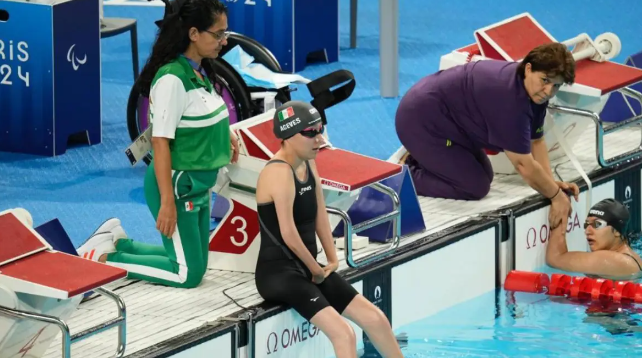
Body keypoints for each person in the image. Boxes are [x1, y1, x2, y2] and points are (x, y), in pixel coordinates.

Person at [76, 0, 239, 289]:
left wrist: (224, 133)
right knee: (187, 274)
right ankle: (103, 260)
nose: (223, 41)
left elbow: (202, 113)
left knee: (197, 261)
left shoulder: (201, 70)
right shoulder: (171, 80)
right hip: (178, 185)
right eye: (218, 34)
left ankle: (121, 243)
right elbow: (160, 144)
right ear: (193, 33)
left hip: (200, 184)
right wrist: (167, 203)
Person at [254, 100, 404, 358]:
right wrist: (315, 269)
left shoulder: (307, 162)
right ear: (288, 136)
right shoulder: (278, 172)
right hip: (279, 274)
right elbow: (288, 233)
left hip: (310, 269)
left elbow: (320, 213)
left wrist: (331, 257)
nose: (319, 139)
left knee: (375, 318)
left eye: (319, 129)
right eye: (310, 133)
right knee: (344, 334)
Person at [395, 42, 579, 229]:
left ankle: (422, 157)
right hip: (420, 121)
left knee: (485, 175)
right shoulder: (510, 100)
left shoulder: (533, 91)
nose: (549, 91)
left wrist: (551, 184)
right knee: (474, 187)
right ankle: (400, 174)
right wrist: (556, 196)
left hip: (452, 122)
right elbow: (523, 165)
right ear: (529, 68)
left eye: (556, 86)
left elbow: (536, 141)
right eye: (545, 80)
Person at [546, 198, 642, 281]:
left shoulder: (613, 260)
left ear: (617, 231)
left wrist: (561, 208)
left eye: (597, 224)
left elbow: (555, 258)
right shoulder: (629, 257)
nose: (587, 231)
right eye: (587, 224)